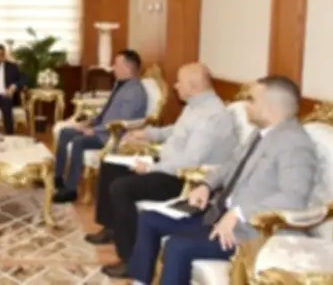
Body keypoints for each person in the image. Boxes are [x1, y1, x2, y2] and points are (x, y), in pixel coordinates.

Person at [125, 75, 317, 285]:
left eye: (252, 100)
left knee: (178, 246)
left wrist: (239, 213)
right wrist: (206, 185)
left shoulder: (295, 143)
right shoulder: (260, 133)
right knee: (150, 219)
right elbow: (230, 164)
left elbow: (293, 197)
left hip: (253, 232)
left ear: (272, 108)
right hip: (218, 213)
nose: (246, 104)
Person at [89, 63, 237, 278]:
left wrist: (151, 167)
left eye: (179, 82)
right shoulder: (194, 105)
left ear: (193, 85)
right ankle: (112, 226)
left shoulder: (212, 116)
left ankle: (130, 258)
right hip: (167, 164)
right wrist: (148, 134)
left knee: (122, 188)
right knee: (111, 165)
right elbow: (176, 132)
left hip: (181, 178)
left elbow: (189, 161)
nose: (175, 86)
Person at [52, 49, 149, 203]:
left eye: (116, 64)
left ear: (127, 67)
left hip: (112, 136)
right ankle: (57, 178)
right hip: (101, 129)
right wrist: (90, 122)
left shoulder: (135, 91)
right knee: (65, 132)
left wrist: (94, 130)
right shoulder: (120, 84)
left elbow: (122, 122)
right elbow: (106, 112)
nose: (113, 67)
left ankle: (71, 189)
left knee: (78, 142)